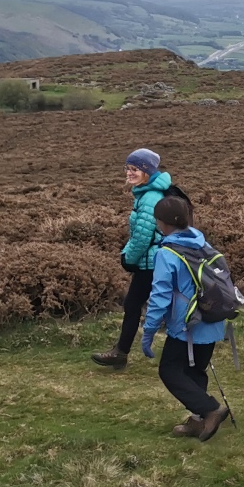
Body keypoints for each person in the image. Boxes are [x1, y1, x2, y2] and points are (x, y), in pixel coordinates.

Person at [140, 194, 231, 442]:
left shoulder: (167, 253)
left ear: (162, 223)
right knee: (195, 371)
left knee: (170, 371)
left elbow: (160, 297)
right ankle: (197, 422)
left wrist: (148, 332)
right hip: (212, 321)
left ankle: (210, 409)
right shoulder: (202, 243)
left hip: (186, 327)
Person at [92, 149, 182, 369]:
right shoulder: (148, 192)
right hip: (157, 260)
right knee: (165, 305)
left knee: (133, 305)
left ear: (147, 172)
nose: (129, 173)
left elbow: (142, 237)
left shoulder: (150, 198)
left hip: (151, 264)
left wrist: (127, 258)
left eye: (135, 169)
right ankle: (122, 353)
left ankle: (121, 354)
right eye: (128, 168)